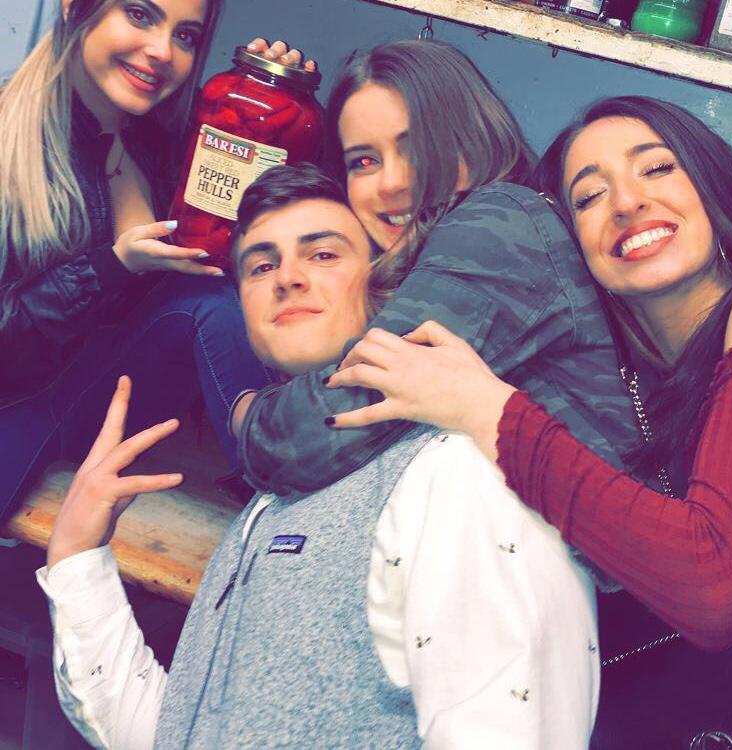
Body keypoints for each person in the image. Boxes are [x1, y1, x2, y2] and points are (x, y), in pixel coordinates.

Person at [38, 164, 601, 749]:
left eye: (323, 255)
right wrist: (77, 557)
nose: (287, 278)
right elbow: (185, 734)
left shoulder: (453, 473)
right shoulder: (271, 497)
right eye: (261, 266)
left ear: (383, 283)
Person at [324, 96, 732, 749]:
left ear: (713, 182)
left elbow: (711, 587)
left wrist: (484, 408)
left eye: (657, 168)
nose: (626, 202)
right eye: (589, 197)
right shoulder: (618, 391)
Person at [231, 40, 640, 532]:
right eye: (364, 161)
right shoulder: (437, 254)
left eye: (417, 148)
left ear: (474, 136)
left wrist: (243, 411)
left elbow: (309, 436)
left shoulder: (499, 226)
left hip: (589, 565)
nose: (391, 183)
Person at [0, 1, 289, 521]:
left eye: (185, 36)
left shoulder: (166, 143)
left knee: (209, 297)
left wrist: (271, 94)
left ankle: (291, 501)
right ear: (74, 7)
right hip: (16, 405)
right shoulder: (10, 138)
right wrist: (113, 266)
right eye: (139, 14)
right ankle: (289, 499)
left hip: (104, 401)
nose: (162, 51)